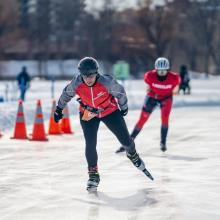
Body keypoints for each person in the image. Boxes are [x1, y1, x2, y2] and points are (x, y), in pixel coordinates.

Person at [54, 57, 152, 191]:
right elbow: (66, 94)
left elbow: (120, 93)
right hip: (88, 113)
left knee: (126, 140)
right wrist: (59, 109)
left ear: (97, 73)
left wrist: (123, 107)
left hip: (109, 111)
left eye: (92, 76)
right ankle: (93, 175)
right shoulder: (76, 83)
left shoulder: (107, 82)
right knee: (90, 143)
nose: (88, 79)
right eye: (85, 76)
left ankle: (132, 154)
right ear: (81, 75)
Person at [116, 57, 181, 153]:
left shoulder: (175, 78)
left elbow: (176, 90)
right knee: (142, 120)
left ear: (168, 70)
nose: (162, 73)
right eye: (160, 71)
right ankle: (128, 142)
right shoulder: (150, 76)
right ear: (156, 69)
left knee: (165, 118)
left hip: (166, 98)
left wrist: (173, 92)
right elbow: (148, 87)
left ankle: (163, 142)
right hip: (152, 97)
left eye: (164, 71)